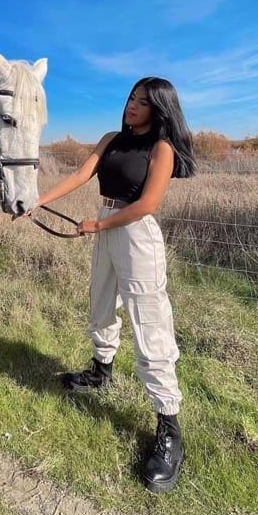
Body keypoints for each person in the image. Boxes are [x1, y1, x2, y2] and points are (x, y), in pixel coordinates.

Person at [23, 77, 196, 493]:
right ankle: (101, 372)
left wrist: (99, 224)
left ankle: (169, 428)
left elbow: (147, 204)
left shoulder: (161, 149)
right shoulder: (111, 138)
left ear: (159, 108)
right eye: (131, 98)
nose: (133, 106)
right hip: (106, 228)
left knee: (149, 323)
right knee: (100, 306)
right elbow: (83, 174)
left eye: (143, 101)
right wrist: (38, 200)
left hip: (136, 234)